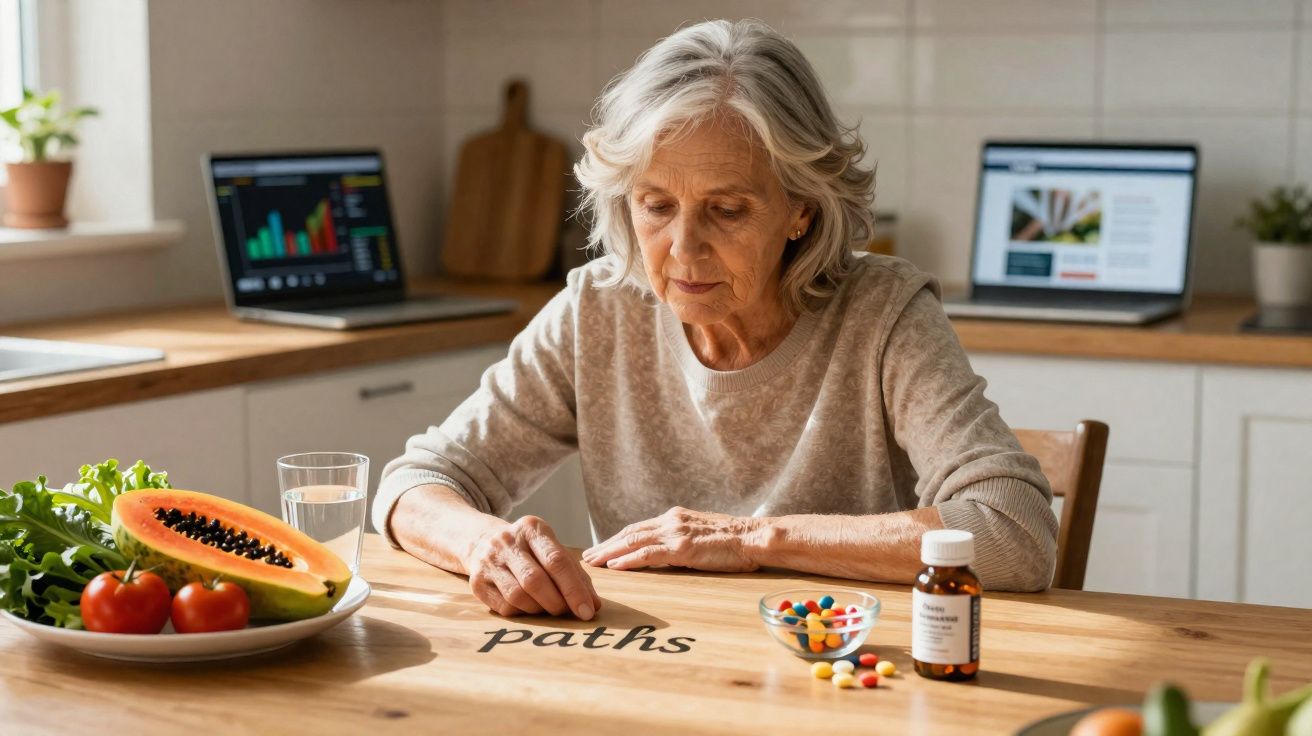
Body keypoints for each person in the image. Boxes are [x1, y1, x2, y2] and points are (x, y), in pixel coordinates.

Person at [373, 19, 1058, 621]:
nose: (683, 248)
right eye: (656, 205)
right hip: (658, 668)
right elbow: (415, 483)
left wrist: (751, 540)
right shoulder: (598, 309)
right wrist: (483, 544)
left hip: (840, 676)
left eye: (727, 210)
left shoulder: (884, 314)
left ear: (803, 210)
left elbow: (1013, 530)